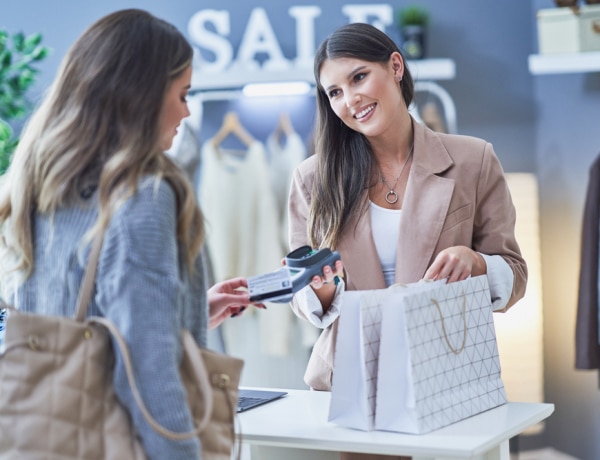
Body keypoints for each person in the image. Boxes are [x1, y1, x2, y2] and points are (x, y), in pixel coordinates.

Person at [0, 9, 260, 460]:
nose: (187, 110)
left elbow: (72, 320)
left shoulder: (37, 184)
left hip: (44, 437)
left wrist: (187, 308)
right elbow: (148, 368)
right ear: (139, 97)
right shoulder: (141, 196)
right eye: (181, 94)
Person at [287, 22, 527, 460]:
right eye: (334, 92)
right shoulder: (312, 178)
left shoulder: (473, 159)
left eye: (358, 77)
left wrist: (475, 261)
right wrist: (320, 292)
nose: (350, 99)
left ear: (395, 66)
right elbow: (302, 296)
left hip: (449, 383)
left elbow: (514, 273)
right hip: (351, 387)